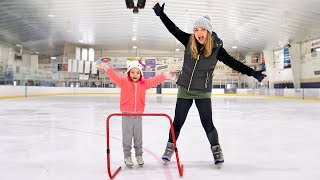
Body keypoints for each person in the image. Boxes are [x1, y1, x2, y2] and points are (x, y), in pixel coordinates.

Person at [153, 3, 266, 167]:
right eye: (196, 29)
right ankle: (169, 148)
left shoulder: (217, 49)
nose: (199, 32)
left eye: (202, 29)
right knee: (177, 122)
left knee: (208, 123)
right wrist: (162, 15)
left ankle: (216, 149)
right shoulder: (188, 40)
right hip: (185, 89)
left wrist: (254, 73)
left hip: (203, 92)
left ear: (208, 31)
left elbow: (234, 63)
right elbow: (173, 29)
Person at [96, 58, 171, 167]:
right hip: (126, 114)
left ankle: (139, 155)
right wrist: (105, 66)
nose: (135, 74)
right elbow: (113, 75)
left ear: (140, 73)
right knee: (127, 136)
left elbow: (155, 80)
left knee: (138, 137)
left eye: (137, 72)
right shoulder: (123, 82)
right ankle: (127, 156)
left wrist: (165, 75)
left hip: (138, 115)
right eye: (132, 72)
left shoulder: (144, 83)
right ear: (128, 73)